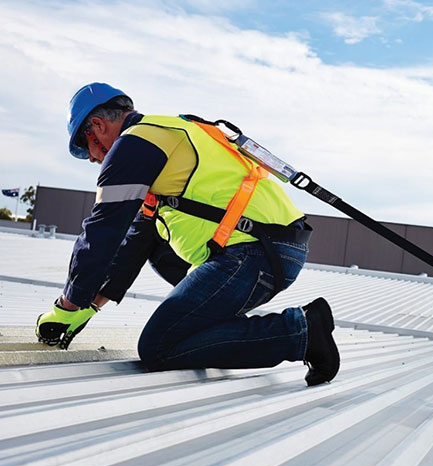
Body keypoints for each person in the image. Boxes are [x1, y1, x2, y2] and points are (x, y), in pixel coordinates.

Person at [35, 83, 339, 386]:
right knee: (152, 239)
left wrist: (67, 306)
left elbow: (102, 231)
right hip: (273, 246)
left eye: (84, 146)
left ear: (98, 126)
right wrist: (88, 306)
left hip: (252, 252)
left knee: (158, 348)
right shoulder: (171, 131)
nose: (90, 159)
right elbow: (133, 243)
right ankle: (217, 321)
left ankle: (301, 331)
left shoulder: (133, 144)